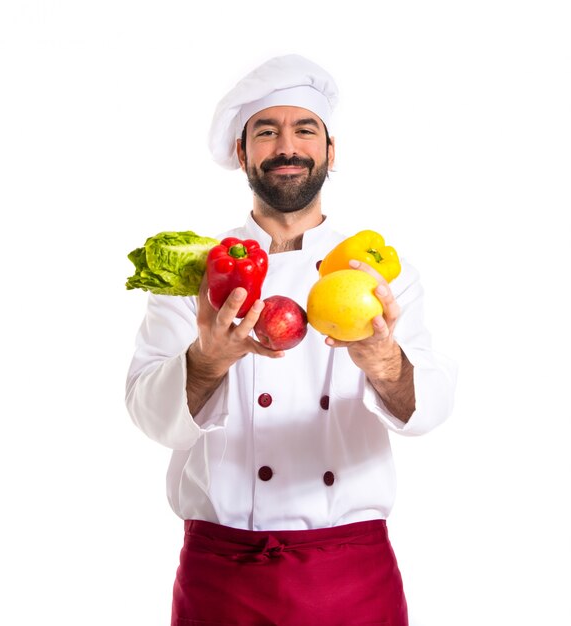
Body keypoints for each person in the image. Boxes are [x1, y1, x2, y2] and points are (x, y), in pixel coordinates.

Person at [126, 54, 457, 626]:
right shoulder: (198, 271)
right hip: (221, 574)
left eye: (305, 129)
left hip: (352, 574)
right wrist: (207, 361)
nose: (287, 146)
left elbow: (429, 409)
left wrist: (384, 362)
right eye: (266, 130)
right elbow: (150, 418)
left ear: (331, 151)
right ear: (241, 153)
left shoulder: (379, 271)